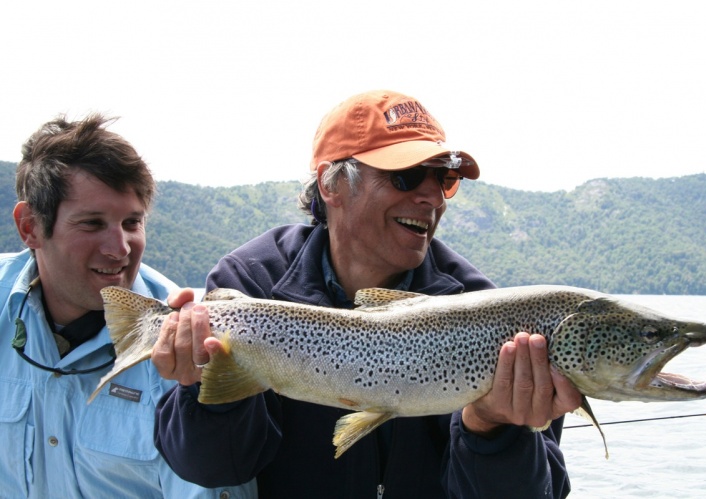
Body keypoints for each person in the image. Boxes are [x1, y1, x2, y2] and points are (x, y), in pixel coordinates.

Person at [153, 90, 582, 498]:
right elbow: (215, 468)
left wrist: (492, 428)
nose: (432, 196)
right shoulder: (250, 284)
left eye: (444, 178)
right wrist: (203, 393)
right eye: (407, 175)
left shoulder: (489, 315)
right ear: (331, 185)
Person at [0, 114, 256, 498]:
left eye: (132, 223)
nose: (119, 249)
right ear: (30, 227)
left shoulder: (186, 345)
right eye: (92, 224)